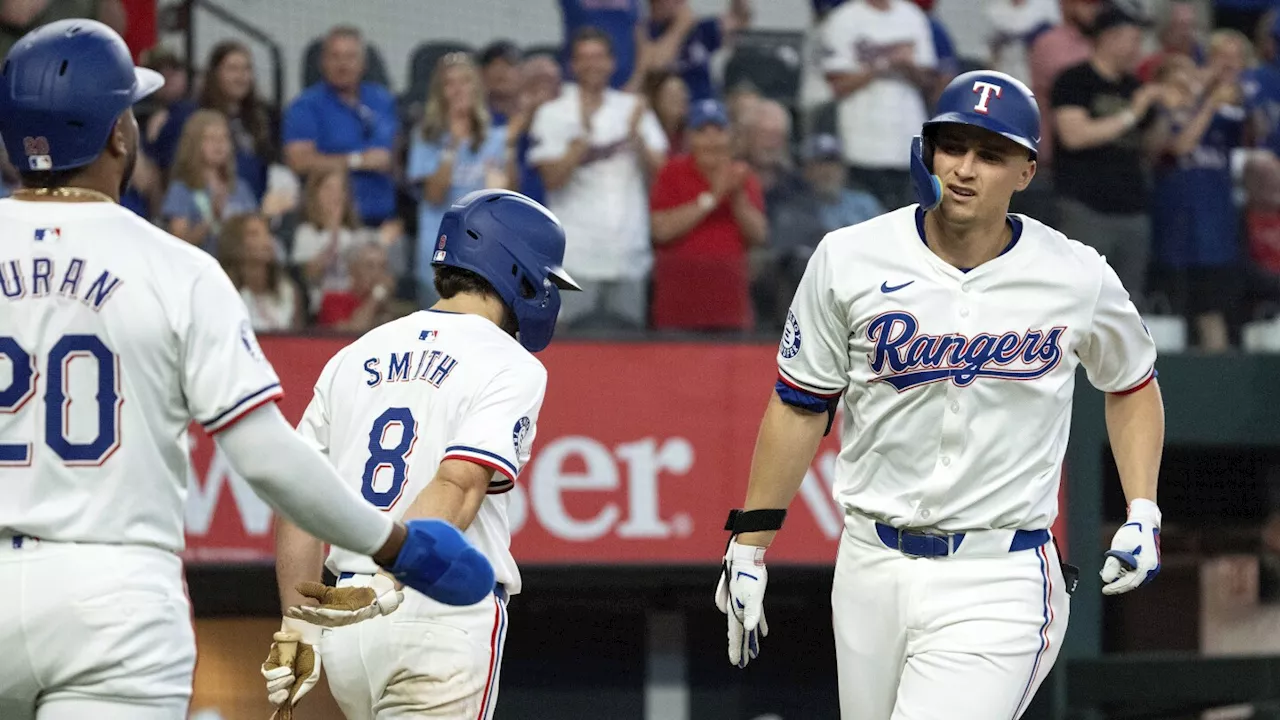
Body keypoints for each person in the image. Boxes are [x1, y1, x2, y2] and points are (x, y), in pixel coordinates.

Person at [0, 19, 496, 720]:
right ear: (117, 135)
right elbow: (265, 456)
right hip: (109, 593)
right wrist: (396, 543)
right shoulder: (176, 267)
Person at [714, 70, 1166, 719]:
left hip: (999, 571)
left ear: (1026, 171)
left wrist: (1144, 509)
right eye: (952, 146)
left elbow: (1132, 383)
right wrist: (750, 543)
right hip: (869, 562)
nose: (964, 168)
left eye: (989, 154)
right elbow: (800, 402)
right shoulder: (849, 258)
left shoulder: (1076, 274)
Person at [266, 189, 581, 719]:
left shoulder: (356, 352)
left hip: (346, 625)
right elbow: (458, 483)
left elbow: (298, 499)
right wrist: (395, 577)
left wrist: (296, 625)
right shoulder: (510, 361)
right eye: (544, 278)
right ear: (517, 270)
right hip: (435, 605)